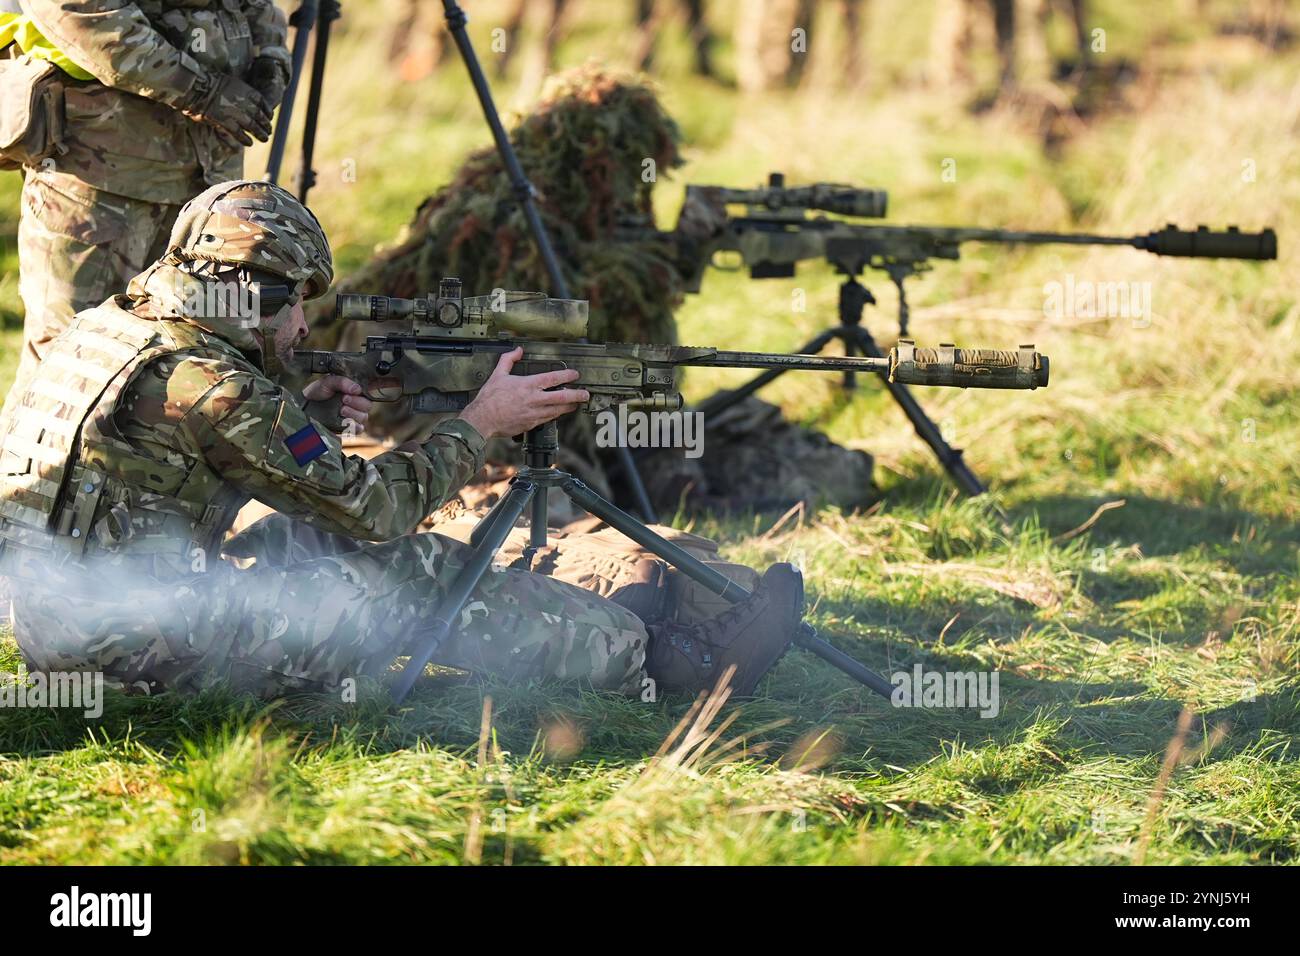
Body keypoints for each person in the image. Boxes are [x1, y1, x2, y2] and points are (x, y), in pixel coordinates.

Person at [0, 180, 804, 700]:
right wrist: (481, 423)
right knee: (402, 576)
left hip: (60, 634)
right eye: (295, 306)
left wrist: (298, 419)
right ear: (252, 295)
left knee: (307, 536)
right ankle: (666, 663)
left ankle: (624, 624)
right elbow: (378, 511)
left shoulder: (103, 331)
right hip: (139, 661)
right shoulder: (218, 384)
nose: (305, 324)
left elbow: (158, 465)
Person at [0, 0, 289, 390]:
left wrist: (271, 56)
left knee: (193, 361)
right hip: (99, 177)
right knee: (71, 359)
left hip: (206, 187)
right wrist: (204, 91)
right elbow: (81, 13)